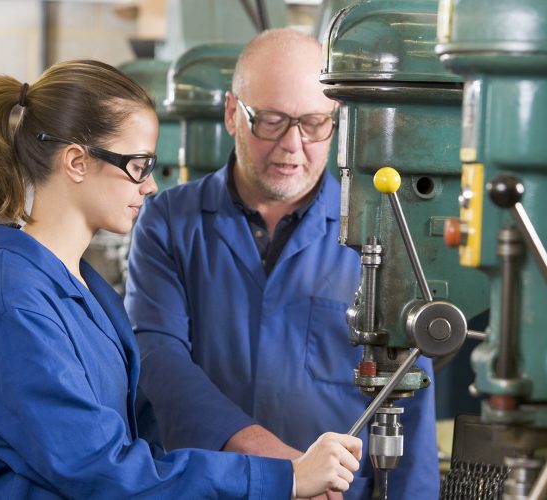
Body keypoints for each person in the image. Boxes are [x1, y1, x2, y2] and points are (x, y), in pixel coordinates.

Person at [0, 59, 362, 499]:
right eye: (138, 165)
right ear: (76, 162)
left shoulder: (85, 291)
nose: (148, 186)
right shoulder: (16, 304)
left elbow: (139, 452)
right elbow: (102, 471)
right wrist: (285, 479)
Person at [125, 29, 439, 499]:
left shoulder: (383, 231)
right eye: (270, 121)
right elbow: (158, 359)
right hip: (210, 488)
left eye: (313, 123)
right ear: (233, 113)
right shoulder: (168, 222)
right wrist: (285, 465)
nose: (293, 145)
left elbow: (411, 395)